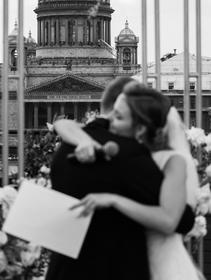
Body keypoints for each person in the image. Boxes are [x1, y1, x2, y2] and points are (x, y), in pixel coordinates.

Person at [45, 78, 195, 280]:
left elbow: (64, 124)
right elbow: (182, 221)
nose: (111, 122)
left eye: (119, 117)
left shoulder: (68, 146)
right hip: (118, 269)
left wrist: (63, 125)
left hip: (63, 270)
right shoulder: (131, 157)